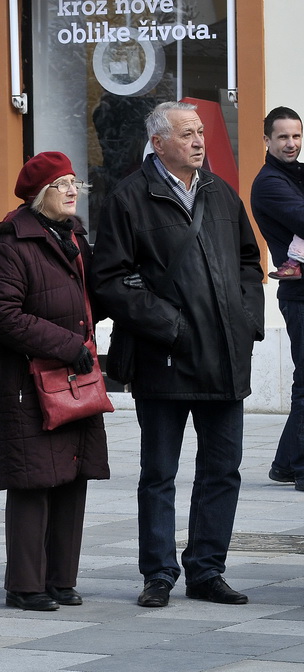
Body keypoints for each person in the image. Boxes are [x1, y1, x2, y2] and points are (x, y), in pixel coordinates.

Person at [91, 101, 264, 608]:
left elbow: (250, 261)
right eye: (186, 133)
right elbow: (110, 280)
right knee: (159, 472)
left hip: (225, 357)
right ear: (159, 142)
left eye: (200, 133)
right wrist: (172, 327)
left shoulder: (220, 192)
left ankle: (207, 570)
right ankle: (159, 573)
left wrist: (246, 317)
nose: (198, 141)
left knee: (222, 470)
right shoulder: (129, 198)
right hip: (163, 359)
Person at [0, 152, 110, 612]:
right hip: (28, 384)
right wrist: (67, 344)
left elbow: (91, 295)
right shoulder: (14, 243)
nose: (73, 190)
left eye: (76, 182)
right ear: (41, 195)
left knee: (73, 475)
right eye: (63, 184)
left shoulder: (74, 237)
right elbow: (1, 313)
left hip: (73, 378)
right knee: (34, 480)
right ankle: (25, 584)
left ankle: (60, 579)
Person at [252, 107, 304, 489]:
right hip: (300, 295)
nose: (291, 144)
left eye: (297, 136)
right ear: (267, 140)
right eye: (283, 137)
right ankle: (300, 469)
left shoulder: (296, 174)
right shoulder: (270, 182)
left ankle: (287, 463)